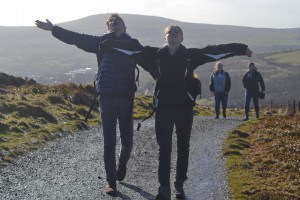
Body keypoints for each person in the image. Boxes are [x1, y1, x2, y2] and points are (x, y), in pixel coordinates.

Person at [35, 13, 144, 196]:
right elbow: (76, 38)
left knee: (127, 142)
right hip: (105, 97)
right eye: (110, 22)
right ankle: (111, 182)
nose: (114, 23)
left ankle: (122, 164)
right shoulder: (101, 42)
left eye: (117, 21)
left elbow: (154, 60)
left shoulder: (133, 45)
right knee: (109, 142)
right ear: (107, 27)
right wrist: (54, 29)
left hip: (126, 99)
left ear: (124, 26)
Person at [140, 25, 253, 200]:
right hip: (163, 108)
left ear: (182, 38)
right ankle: (164, 188)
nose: (173, 34)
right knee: (164, 149)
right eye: (169, 32)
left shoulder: (189, 55)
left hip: (184, 108)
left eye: (176, 32)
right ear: (165, 37)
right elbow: (131, 50)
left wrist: (241, 48)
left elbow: (215, 51)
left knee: (183, 147)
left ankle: (179, 184)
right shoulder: (156, 55)